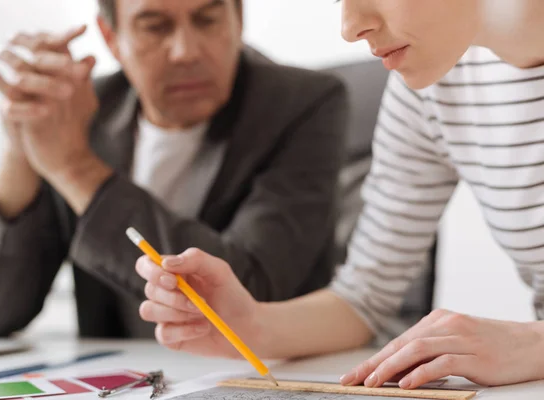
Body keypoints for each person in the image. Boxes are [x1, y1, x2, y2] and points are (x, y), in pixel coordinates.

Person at [135, 0, 544, 389]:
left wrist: (533, 345)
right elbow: (365, 296)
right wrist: (250, 325)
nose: (349, 28)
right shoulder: (434, 85)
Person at [0, 0, 348, 338]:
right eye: (155, 26)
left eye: (207, 19)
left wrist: (76, 169)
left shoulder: (303, 105)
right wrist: (23, 142)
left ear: (238, 18)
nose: (186, 51)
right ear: (111, 37)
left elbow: (252, 292)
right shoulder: (83, 110)